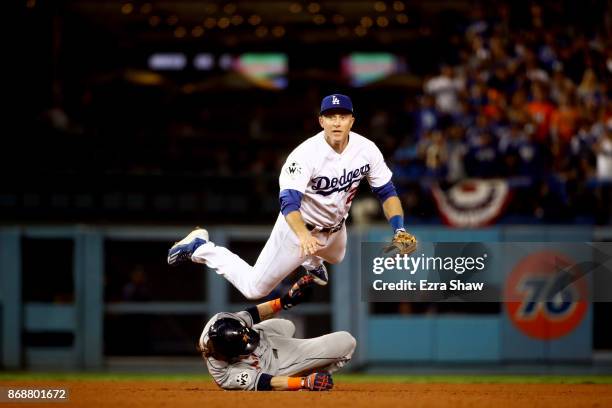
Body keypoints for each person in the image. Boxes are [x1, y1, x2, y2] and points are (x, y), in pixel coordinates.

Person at [168, 94, 411, 299]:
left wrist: (399, 230)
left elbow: (387, 192)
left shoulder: (366, 149)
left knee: (337, 257)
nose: (337, 122)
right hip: (298, 229)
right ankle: (201, 247)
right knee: (255, 289)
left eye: (342, 116)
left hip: (335, 228)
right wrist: (303, 235)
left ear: (352, 121)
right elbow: (288, 202)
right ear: (321, 121)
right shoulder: (304, 155)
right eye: (330, 117)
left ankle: (312, 260)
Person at [198, 275, 356, 391]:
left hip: (265, 337)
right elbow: (264, 382)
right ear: (228, 354)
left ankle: (303, 363)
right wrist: (302, 382)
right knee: (346, 341)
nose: (248, 344)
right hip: (268, 367)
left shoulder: (222, 320)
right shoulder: (222, 374)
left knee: (287, 325)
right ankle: (304, 373)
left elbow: (254, 313)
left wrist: (285, 301)